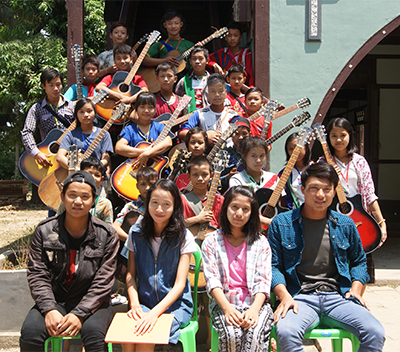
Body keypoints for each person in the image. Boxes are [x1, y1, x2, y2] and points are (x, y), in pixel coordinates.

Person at [268, 162, 385, 352]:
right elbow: (273, 266)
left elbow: (359, 261)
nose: (320, 195)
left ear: (334, 191)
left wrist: (355, 290)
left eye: (326, 189)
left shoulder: (345, 224)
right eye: (314, 188)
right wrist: (284, 296)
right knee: (287, 332)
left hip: (338, 297)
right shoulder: (282, 223)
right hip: (299, 298)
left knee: (375, 332)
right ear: (303, 189)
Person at [20, 170, 119, 352]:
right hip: (56, 299)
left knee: (95, 336)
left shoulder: (106, 234)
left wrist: (80, 314)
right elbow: (37, 274)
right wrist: (49, 309)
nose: (78, 201)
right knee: (31, 333)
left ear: (93, 200)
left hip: (93, 304)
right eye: (72, 195)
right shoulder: (44, 231)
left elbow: (104, 280)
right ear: (62, 196)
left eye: (84, 196)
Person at [123, 179, 197, 352]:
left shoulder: (183, 236)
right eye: (154, 203)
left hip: (176, 306)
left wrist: (154, 314)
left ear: (175, 207)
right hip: (144, 303)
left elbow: (179, 285)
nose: (159, 209)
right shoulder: (136, 232)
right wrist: (134, 304)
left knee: (147, 335)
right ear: (147, 203)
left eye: (166, 204)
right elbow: (130, 275)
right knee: (127, 335)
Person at [202, 185, 273, 351]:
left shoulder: (260, 242)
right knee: (232, 335)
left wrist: (254, 310)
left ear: (252, 213)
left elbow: (263, 280)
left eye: (245, 209)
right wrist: (227, 309)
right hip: (223, 303)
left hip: (256, 303)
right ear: (226, 208)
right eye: (234, 207)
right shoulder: (211, 242)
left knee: (254, 334)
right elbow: (212, 281)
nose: (239, 213)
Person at [322, 117, 387, 282]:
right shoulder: (323, 163)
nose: (338, 139)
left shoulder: (359, 162)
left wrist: (380, 222)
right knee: (335, 265)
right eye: (333, 135)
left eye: (342, 135)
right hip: (333, 220)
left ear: (350, 135)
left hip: (360, 220)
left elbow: (370, 194)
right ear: (327, 138)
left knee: (360, 266)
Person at [21, 68, 74, 169]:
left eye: (58, 84)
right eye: (51, 85)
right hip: (48, 158)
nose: (55, 88)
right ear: (43, 86)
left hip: (71, 156)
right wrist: (36, 153)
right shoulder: (36, 108)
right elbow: (27, 132)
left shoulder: (72, 106)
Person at [229, 136, 280, 228]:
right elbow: (240, 209)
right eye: (253, 156)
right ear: (244, 156)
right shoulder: (237, 180)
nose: (258, 160)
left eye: (262, 156)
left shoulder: (273, 177)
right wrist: (268, 222)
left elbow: (280, 206)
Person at [114, 92, 173, 170]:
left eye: (150, 107)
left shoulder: (159, 127)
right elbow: (119, 148)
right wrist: (143, 152)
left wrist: (148, 153)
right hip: (135, 171)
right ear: (136, 108)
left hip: (156, 170)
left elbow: (168, 143)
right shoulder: (130, 129)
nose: (146, 110)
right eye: (142, 107)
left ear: (155, 109)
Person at [178, 74, 237, 145]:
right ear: (208, 93)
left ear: (225, 92)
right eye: (213, 91)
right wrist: (204, 137)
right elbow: (182, 132)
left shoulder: (233, 115)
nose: (217, 94)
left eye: (220, 91)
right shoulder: (200, 114)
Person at [56, 98, 113, 171]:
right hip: (76, 176)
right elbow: (60, 157)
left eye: (89, 111)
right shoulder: (70, 135)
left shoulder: (104, 134)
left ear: (95, 113)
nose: (86, 115)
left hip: (96, 174)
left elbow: (105, 159)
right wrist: (75, 168)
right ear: (76, 114)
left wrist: (92, 169)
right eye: (81, 112)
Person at [57, 157, 114, 225]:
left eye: (97, 175)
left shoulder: (105, 204)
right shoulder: (68, 199)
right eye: (88, 173)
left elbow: (108, 229)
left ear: (102, 179)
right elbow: (57, 222)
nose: (92, 177)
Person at [113, 167, 158, 242]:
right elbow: (115, 226)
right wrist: (131, 241)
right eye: (143, 184)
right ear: (137, 186)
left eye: (151, 184)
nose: (147, 188)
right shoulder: (130, 206)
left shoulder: (160, 206)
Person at [209, 22, 255, 87]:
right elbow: (205, 58)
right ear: (225, 37)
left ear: (241, 37)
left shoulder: (246, 53)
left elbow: (250, 75)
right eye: (229, 35)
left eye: (236, 35)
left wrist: (251, 88)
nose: (232, 38)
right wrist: (214, 64)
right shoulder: (223, 52)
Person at [278, 132, 312, 210]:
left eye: (298, 147)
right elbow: (282, 198)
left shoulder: (316, 168)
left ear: (306, 148)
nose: (294, 152)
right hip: (293, 214)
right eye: (290, 149)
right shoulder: (283, 173)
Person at [175, 46, 210, 113]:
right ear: (190, 61)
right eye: (194, 59)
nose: (197, 61)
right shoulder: (183, 82)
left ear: (207, 61)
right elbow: (178, 103)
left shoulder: (212, 81)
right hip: (190, 120)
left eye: (200, 59)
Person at [220, 117, 250, 193]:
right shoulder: (224, 154)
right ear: (231, 136)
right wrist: (227, 177)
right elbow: (213, 181)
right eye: (236, 134)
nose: (240, 137)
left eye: (244, 134)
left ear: (250, 135)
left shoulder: (254, 154)